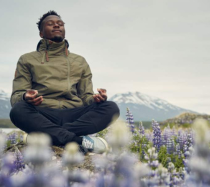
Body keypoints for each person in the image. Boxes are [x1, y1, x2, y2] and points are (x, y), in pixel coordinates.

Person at [10, 10, 119, 154]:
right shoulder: (27, 59)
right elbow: (16, 98)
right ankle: (78, 141)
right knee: (18, 110)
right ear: (41, 33)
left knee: (111, 108)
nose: (57, 26)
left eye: (60, 24)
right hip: (43, 113)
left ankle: (47, 136)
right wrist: (26, 97)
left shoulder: (79, 61)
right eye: (50, 24)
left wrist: (95, 99)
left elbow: (86, 97)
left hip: (74, 114)